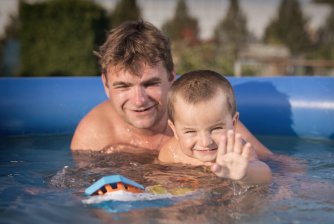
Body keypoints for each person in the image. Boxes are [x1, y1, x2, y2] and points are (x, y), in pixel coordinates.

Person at [70, 20, 272, 159]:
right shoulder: (94, 135)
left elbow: (275, 165)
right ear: (106, 85)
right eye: (123, 86)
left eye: (150, 84)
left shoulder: (197, 113)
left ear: (171, 77)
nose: (139, 99)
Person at [158, 70, 272, 185]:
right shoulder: (171, 152)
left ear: (233, 123)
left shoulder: (238, 150)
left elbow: (265, 174)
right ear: (174, 130)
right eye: (190, 131)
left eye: (216, 129)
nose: (206, 142)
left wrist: (245, 173)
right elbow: (158, 176)